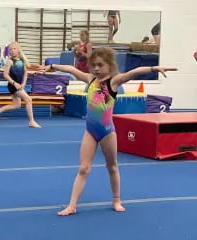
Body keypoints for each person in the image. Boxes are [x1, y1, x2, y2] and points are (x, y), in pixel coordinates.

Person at [38, 47, 177, 216]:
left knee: (111, 166)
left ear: (109, 66)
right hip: (90, 131)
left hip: (107, 132)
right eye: (93, 65)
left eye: (100, 65)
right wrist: (53, 67)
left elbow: (134, 72)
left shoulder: (114, 82)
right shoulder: (90, 80)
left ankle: (116, 199)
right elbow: (72, 69)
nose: (96, 69)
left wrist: (154, 69)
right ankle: (72, 205)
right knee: (83, 168)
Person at [0, 42, 41, 128]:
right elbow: (5, 75)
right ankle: (31, 121)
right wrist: (15, 83)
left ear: (18, 50)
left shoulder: (22, 61)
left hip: (19, 85)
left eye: (14, 49)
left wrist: (23, 83)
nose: (12, 51)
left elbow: (25, 73)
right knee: (29, 100)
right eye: (10, 49)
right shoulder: (10, 61)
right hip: (12, 85)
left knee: (16, 105)